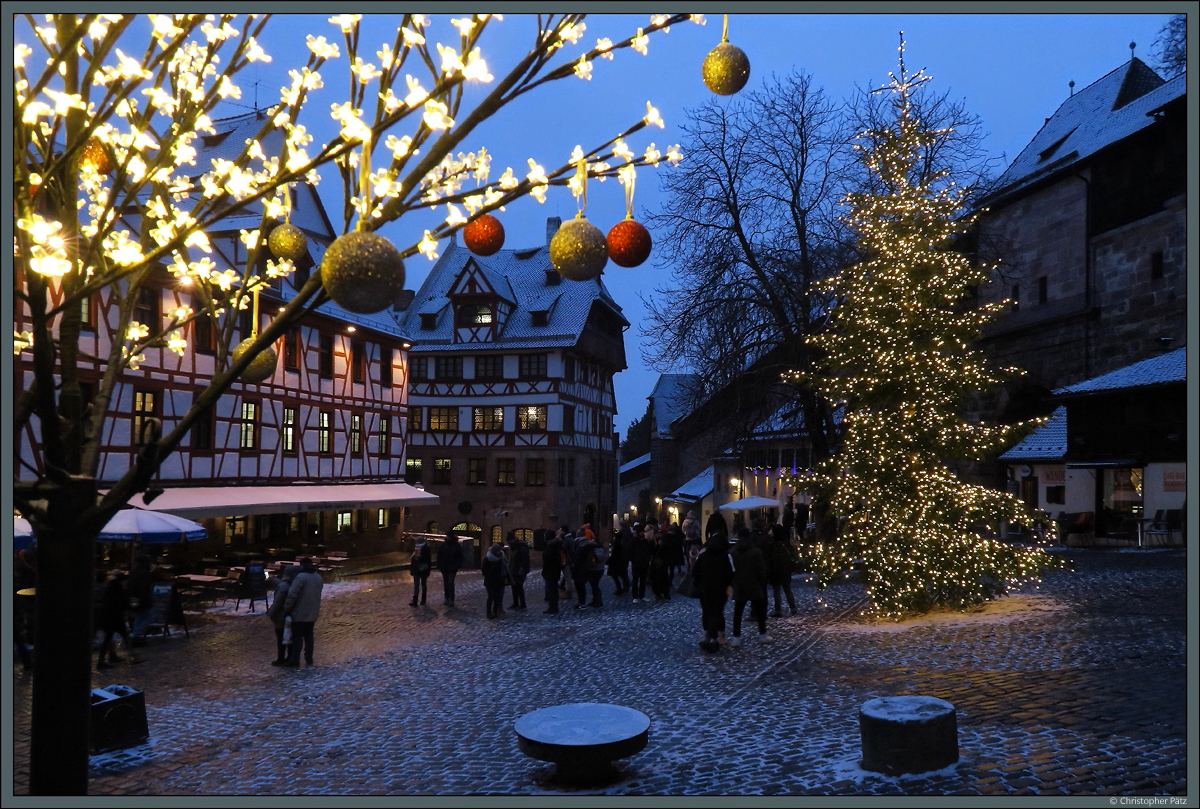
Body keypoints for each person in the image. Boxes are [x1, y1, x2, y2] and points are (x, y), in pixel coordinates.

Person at [691, 532, 734, 653]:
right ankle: (714, 638)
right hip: (720, 590)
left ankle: (709, 637)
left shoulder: (704, 556)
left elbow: (695, 572)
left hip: (706, 589)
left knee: (707, 612)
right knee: (717, 613)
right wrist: (726, 584)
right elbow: (730, 574)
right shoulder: (724, 556)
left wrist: (700, 581)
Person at [729, 527, 770, 646]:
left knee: (738, 612)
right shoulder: (755, 552)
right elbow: (761, 570)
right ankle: (762, 634)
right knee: (760, 611)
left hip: (739, 585)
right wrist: (762, 583)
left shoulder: (733, 552)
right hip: (754, 584)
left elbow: (731, 571)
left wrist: (734, 583)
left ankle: (736, 637)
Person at [282, 557, 323, 668]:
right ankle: (309, 658)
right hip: (312, 612)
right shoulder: (318, 577)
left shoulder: (300, 578)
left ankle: (295, 660)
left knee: (297, 637)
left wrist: (287, 608)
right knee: (309, 635)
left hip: (299, 613)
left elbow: (292, 595)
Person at [96, 570, 139, 669]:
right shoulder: (119, 589)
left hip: (107, 618)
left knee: (108, 639)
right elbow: (125, 604)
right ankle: (133, 656)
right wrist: (132, 606)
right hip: (116, 618)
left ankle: (108, 658)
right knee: (123, 637)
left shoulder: (108, 588)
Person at [266, 565, 298, 666]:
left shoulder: (282, 588)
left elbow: (277, 603)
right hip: (291, 616)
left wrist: (271, 614)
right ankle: (289, 657)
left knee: (281, 639)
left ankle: (281, 658)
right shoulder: (295, 585)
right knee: (289, 638)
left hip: (280, 617)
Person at [769, 524, 798, 618]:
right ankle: (793, 607)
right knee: (787, 589)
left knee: (776, 590)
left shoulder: (773, 543)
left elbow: (772, 557)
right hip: (786, 568)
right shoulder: (785, 542)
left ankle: (778, 610)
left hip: (776, 569)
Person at [577, 528, 606, 608]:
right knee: (594, 586)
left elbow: (600, 558)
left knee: (595, 586)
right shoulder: (597, 549)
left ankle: (598, 601)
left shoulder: (598, 550)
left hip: (597, 570)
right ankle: (595, 600)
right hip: (596, 569)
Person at [436, 531, 464, 607]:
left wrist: (456, 566)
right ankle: (447, 598)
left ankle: (451, 599)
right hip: (444, 567)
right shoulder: (443, 545)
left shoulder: (456, 546)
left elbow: (460, 557)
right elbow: (439, 556)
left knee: (450, 583)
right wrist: (440, 565)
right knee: (446, 583)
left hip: (452, 567)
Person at [481, 543, 508, 619]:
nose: (499, 552)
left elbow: (503, 569)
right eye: (497, 551)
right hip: (490, 581)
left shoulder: (500, 559)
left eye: (499, 550)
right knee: (491, 596)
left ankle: (495, 612)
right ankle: (489, 613)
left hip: (499, 581)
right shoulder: (487, 559)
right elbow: (484, 571)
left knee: (497, 597)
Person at [541, 527, 564, 614]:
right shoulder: (555, 545)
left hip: (551, 570)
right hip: (554, 570)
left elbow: (548, 558)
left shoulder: (551, 546)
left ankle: (553, 607)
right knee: (553, 589)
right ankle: (553, 606)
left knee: (552, 589)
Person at [629, 523, 653, 603]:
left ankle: (641, 595)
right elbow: (629, 552)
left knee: (642, 580)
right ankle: (635, 596)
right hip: (637, 563)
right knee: (635, 579)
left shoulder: (645, 541)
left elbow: (649, 551)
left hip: (644, 563)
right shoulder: (633, 541)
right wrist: (634, 560)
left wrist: (647, 559)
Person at [648, 524, 673, 601]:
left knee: (664, 578)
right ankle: (657, 593)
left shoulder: (665, 541)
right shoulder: (652, 542)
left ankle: (665, 593)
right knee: (655, 579)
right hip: (655, 563)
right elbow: (651, 552)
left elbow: (668, 551)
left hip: (663, 562)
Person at [507, 532, 531, 609]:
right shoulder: (512, 547)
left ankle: (522, 603)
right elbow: (511, 559)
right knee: (514, 586)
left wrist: (522, 569)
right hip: (513, 569)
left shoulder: (521, 546)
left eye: (509, 542)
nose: (509, 544)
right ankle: (516, 603)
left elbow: (524, 559)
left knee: (519, 586)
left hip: (520, 570)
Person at [607, 521, 631, 595]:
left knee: (617, 575)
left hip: (618, 561)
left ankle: (621, 588)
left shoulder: (619, 542)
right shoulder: (628, 533)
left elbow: (615, 553)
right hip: (624, 558)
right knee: (623, 573)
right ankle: (626, 586)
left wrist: (609, 560)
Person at [409, 536, 432, 607]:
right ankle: (415, 600)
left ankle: (423, 599)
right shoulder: (416, 550)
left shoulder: (425, 549)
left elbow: (427, 561)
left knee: (423, 585)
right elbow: (413, 561)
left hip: (423, 570)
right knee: (416, 585)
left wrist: (419, 557)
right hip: (416, 570)